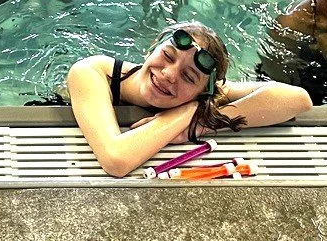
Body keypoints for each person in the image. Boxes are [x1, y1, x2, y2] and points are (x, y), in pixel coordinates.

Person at [67, 22, 313, 177]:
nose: (168, 75)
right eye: (167, 55)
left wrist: (199, 121)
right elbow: (116, 160)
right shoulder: (93, 72)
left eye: (188, 76)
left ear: (204, 92)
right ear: (151, 48)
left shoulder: (204, 97)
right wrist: (185, 113)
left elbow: (298, 99)